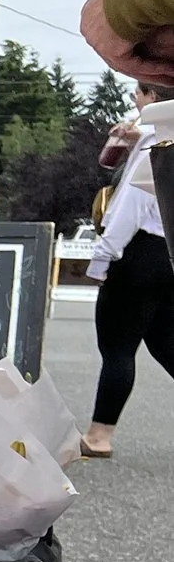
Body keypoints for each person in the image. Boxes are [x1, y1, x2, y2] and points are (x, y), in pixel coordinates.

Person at [81, 79, 174, 458]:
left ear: (153, 97)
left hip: (139, 251)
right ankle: (100, 432)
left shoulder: (156, 142)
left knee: (118, 348)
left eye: (139, 92)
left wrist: (102, 256)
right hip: (169, 252)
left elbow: (130, 206)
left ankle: (99, 435)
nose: (135, 99)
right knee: (166, 342)